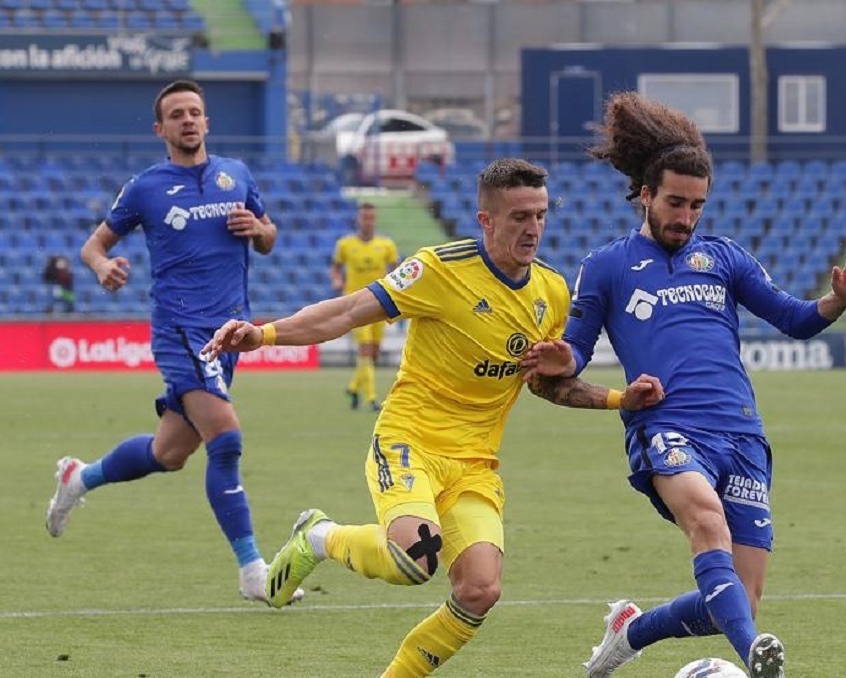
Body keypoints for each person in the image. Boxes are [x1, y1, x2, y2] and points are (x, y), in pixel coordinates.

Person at [201, 158, 664, 677]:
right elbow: (350, 310)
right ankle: (319, 537)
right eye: (518, 217)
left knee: (480, 589)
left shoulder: (552, 293)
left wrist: (619, 399)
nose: (532, 228)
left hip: (474, 466)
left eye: (539, 215)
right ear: (485, 220)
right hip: (410, 441)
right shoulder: (439, 270)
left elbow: (546, 385)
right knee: (413, 559)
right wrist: (264, 335)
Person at [518, 92, 846, 678]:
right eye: (675, 203)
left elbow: (794, 319)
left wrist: (838, 298)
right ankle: (756, 663)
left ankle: (630, 631)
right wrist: (563, 357)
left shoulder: (724, 258)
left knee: (736, 599)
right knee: (706, 524)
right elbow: (574, 357)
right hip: (666, 426)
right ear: (645, 194)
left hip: (742, 433)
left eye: (696, 206)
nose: (685, 218)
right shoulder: (607, 265)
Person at [44, 79, 302, 604]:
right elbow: (94, 245)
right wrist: (101, 267)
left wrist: (258, 227)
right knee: (225, 439)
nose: (188, 120)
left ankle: (79, 477)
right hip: (181, 329)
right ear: (161, 128)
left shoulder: (238, 175)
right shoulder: (146, 187)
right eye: (177, 114)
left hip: (231, 332)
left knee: (169, 452)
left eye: (196, 112)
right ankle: (254, 571)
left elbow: (271, 237)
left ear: (207, 122)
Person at [330, 202, 399, 410]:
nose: (367, 221)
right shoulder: (345, 245)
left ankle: (353, 387)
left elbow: (396, 271)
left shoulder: (386, 245)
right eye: (364, 217)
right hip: (355, 305)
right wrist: (336, 280)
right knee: (366, 349)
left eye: (371, 217)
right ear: (358, 219)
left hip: (379, 303)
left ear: (375, 220)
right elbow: (336, 268)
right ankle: (371, 399)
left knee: (374, 353)